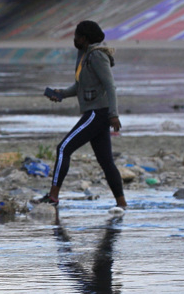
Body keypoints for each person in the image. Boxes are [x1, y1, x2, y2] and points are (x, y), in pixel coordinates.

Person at [39, 20, 125, 208]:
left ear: (85, 38)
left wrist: (114, 114)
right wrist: (61, 94)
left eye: (77, 36)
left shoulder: (97, 56)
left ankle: (53, 197)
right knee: (106, 162)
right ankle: (122, 205)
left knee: (63, 149)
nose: (74, 39)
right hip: (95, 113)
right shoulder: (84, 55)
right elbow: (80, 86)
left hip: (97, 113)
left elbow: (110, 86)